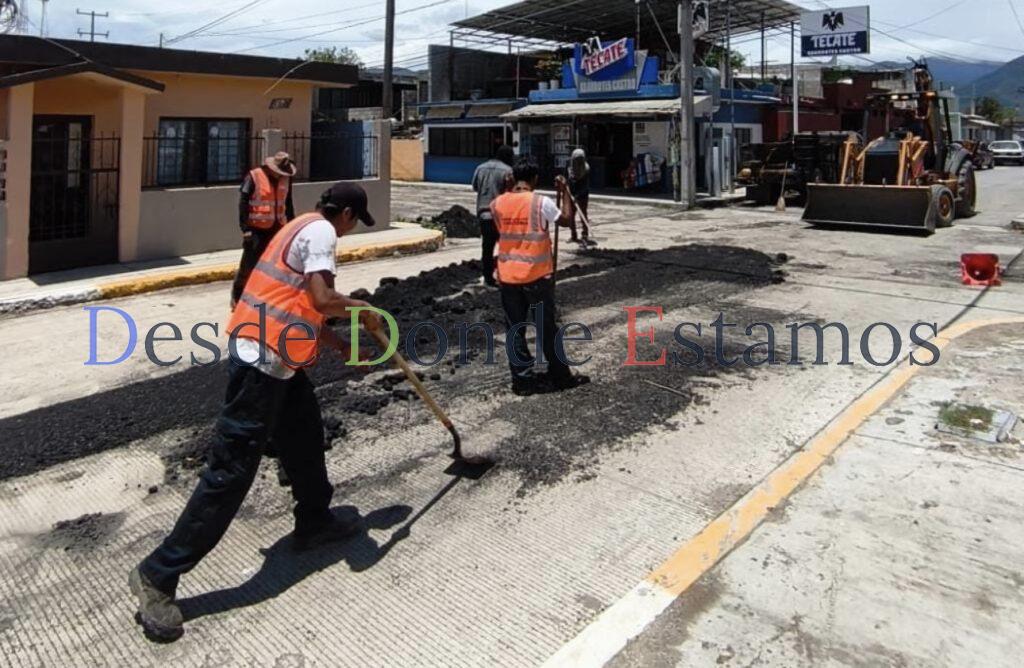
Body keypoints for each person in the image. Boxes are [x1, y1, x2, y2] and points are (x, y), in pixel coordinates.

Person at [130, 183, 382, 643]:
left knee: (305, 440)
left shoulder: (299, 227)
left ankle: (314, 520)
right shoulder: (322, 232)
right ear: (344, 213)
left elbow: (303, 303)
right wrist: (361, 309)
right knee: (230, 473)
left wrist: (336, 341)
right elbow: (325, 299)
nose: (348, 232)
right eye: (352, 222)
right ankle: (158, 573)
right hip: (260, 364)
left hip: (280, 362)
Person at [490, 156, 590, 396]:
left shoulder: (497, 204)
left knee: (515, 329)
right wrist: (565, 191)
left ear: (512, 178)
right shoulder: (540, 202)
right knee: (546, 329)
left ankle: (522, 381)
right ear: (534, 179)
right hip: (536, 277)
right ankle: (560, 376)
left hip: (507, 277)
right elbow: (566, 220)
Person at [231, 151, 297, 307]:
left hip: (278, 228)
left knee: (276, 265)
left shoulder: (286, 179)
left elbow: (288, 203)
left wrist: (293, 226)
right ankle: (238, 296)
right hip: (256, 229)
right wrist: (245, 228)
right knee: (248, 264)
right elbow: (243, 202)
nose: (281, 175)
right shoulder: (254, 177)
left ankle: (269, 296)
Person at [472, 145, 515, 287]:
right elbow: (510, 192)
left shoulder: (480, 168)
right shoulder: (507, 170)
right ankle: (505, 275)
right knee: (505, 247)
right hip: (500, 215)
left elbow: (475, 187)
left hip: (484, 214)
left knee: (487, 247)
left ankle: (488, 278)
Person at [567, 148, 592, 247]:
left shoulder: (586, 169)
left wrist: (577, 196)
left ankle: (585, 234)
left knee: (583, 214)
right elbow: (568, 181)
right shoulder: (569, 168)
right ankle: (573, 235)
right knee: (571, 215)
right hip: (571, 193)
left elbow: (585, 185)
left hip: (582, 194)